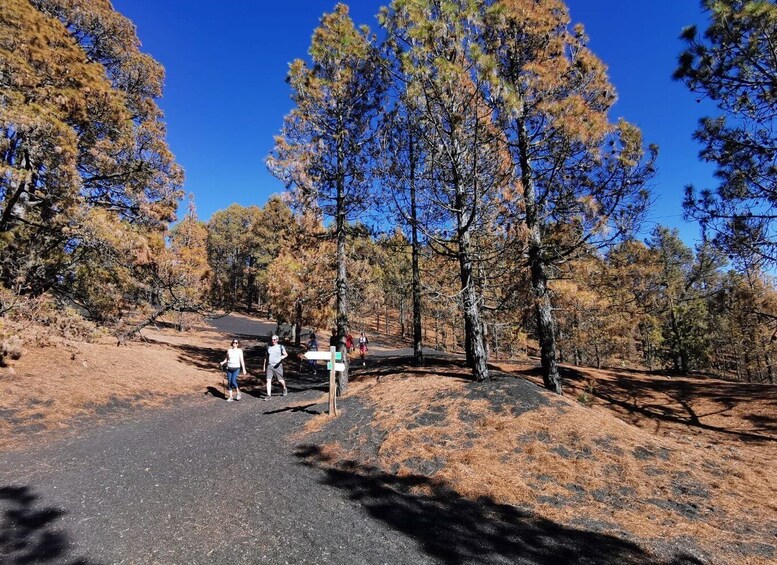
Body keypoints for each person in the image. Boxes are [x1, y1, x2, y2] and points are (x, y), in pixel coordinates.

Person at [263, 335, 288, 400]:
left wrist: (283, 357)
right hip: (270, 365)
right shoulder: (269, 347)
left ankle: (284, 388)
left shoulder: (280, 347)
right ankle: (268, 395)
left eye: (274, 339)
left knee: (280, 380)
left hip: (278, 366)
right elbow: (266, 358)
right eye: (272, 339)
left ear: (277, 340)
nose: (273, 341)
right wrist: (264, 366)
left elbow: (286, 354)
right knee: (268, 380)